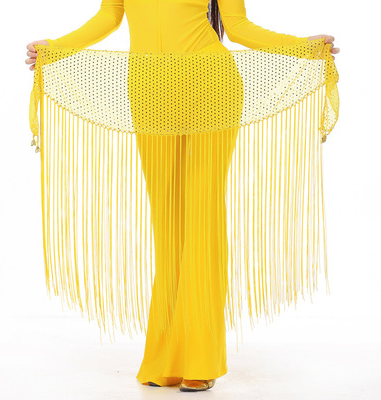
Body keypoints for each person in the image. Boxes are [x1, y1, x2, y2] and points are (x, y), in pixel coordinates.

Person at [25, 0, 340, 392]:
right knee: (167, 222)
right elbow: (108, 16)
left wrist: (302, 46)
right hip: (149, 92)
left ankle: (201, 357)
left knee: (202, 217)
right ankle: (167, 357)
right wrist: (55, 47)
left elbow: (238, 26)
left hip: (211, 84)